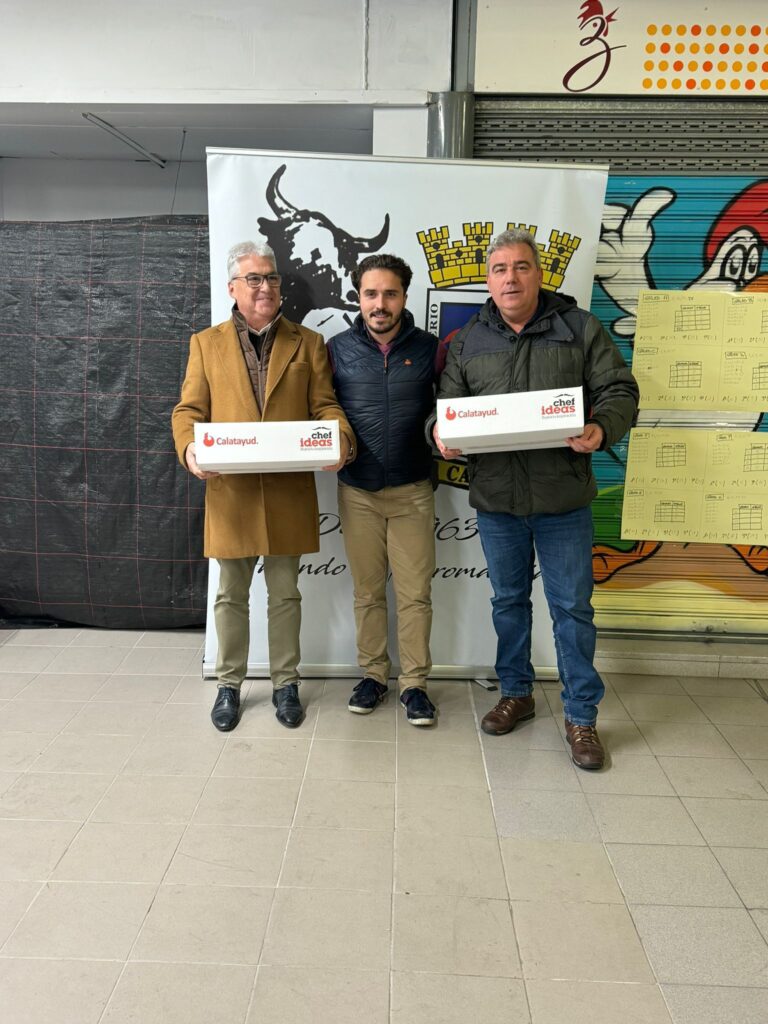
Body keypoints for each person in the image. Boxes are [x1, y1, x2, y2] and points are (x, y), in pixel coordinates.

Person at [432, 228, 638, 769]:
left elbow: (620, 389)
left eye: (521, 267)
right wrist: (438, 431)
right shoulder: (468, 340)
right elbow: (444, 405)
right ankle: (516, 693)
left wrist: (601, 427)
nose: (510, 278)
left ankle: (581, 717)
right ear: (488, 280)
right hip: (497, 501)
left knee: (572, 610)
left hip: (562, 499)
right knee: (508, 603)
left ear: (538, 274)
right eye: (500, 269)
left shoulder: (579, 328)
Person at [172, 240, 355, 732]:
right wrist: (189, 449)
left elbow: (326, 406)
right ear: (232, 287)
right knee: (230, 596)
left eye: (271, 278)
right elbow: (188, 411)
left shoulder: (308, 342)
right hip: (230, 493)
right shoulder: (205, 344)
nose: (265, 287)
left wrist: (340, 437)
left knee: (286, 595)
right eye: (253, 278)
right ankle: (229, 684)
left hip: (287, 491)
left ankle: (285, 684)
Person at [327, 254, 443, 726]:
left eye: (390, 294)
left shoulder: (430, 348)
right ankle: (373, 675)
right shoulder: (335, 349)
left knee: (415, 594)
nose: (380, 304)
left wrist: (441, 429)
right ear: (358, 297)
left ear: (404, 298)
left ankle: (414, 684)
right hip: (358, 491)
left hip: (413, 490)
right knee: (367, 592)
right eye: (371, 294)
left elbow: (447, 407)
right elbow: (324, 408)